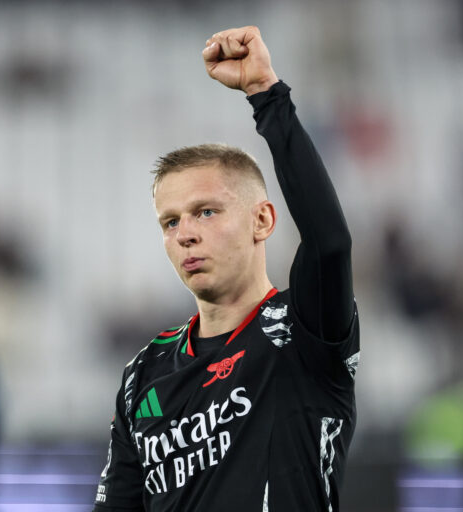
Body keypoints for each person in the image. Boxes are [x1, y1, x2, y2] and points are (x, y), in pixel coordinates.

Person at [94, 26, 359, 511]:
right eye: (170, 221)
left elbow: (329, 243)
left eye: (206, 212)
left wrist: (266, 96)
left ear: (262, 219)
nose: (185, 233)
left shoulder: (304, 329)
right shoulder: (144, 374)